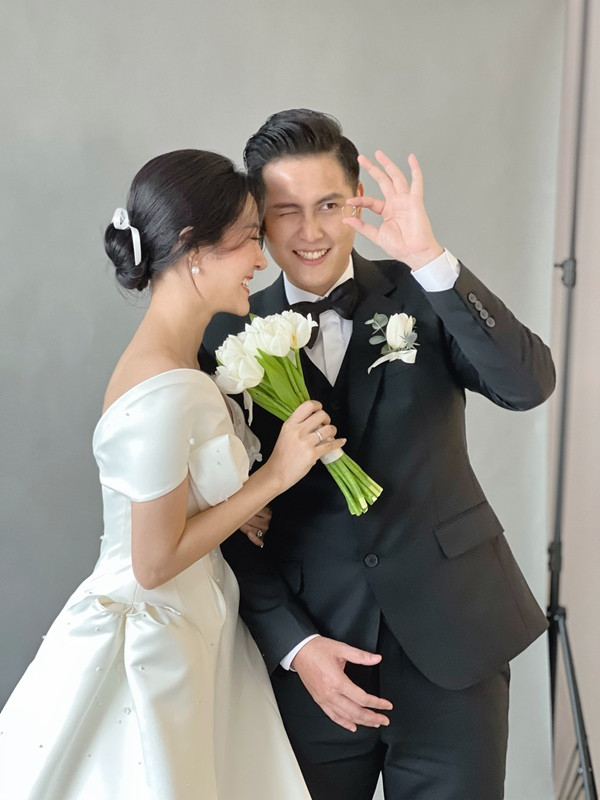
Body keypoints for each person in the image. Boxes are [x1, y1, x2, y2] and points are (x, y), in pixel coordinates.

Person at [202, 110, 556, 800]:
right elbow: (223, 516)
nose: (310, 231)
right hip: (315, 658)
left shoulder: (424, 290)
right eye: (286, 211)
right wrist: (295, 646)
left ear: (357, 201)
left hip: (456, 645)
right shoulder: (226, 335)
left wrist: (430, 258)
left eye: (329, 205)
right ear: (259, 220)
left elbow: (527, 385)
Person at [0, 149, 349, 799]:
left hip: (198, 625)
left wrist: (236, 506)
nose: (261, 259)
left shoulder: (181, 364)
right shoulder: (163, 382)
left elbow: (178, 507)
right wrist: (273, 476)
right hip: (153, 642)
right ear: (193, 249)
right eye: (249, 239)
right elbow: (153, 561)